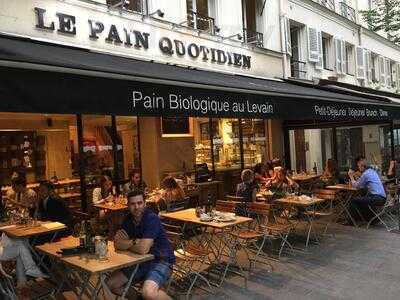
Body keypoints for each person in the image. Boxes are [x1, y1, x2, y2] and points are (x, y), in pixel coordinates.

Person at [107, 191, 174, 300]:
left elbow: (143, 249)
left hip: (161, 260)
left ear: (145, 204)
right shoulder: (128, 220)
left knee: (148, 293)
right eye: (133, 204)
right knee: (111, 283)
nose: (136, 207)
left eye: (139, 203)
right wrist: (134, 242)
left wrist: (129, 243)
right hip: (139, 261)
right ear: (128, 205)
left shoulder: (151, 218)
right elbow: (117, 244)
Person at [348, 156, 386, 222]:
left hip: (377, 198)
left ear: (363, 167)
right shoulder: (372, 171)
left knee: (353, 201)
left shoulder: (365, 174)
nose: (358, 168)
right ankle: (372, 219)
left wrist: (351, 177)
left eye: (359, 166)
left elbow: (356, 186)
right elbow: (364, 185)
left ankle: (352, 221)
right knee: (363, 199)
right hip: (383, 198)